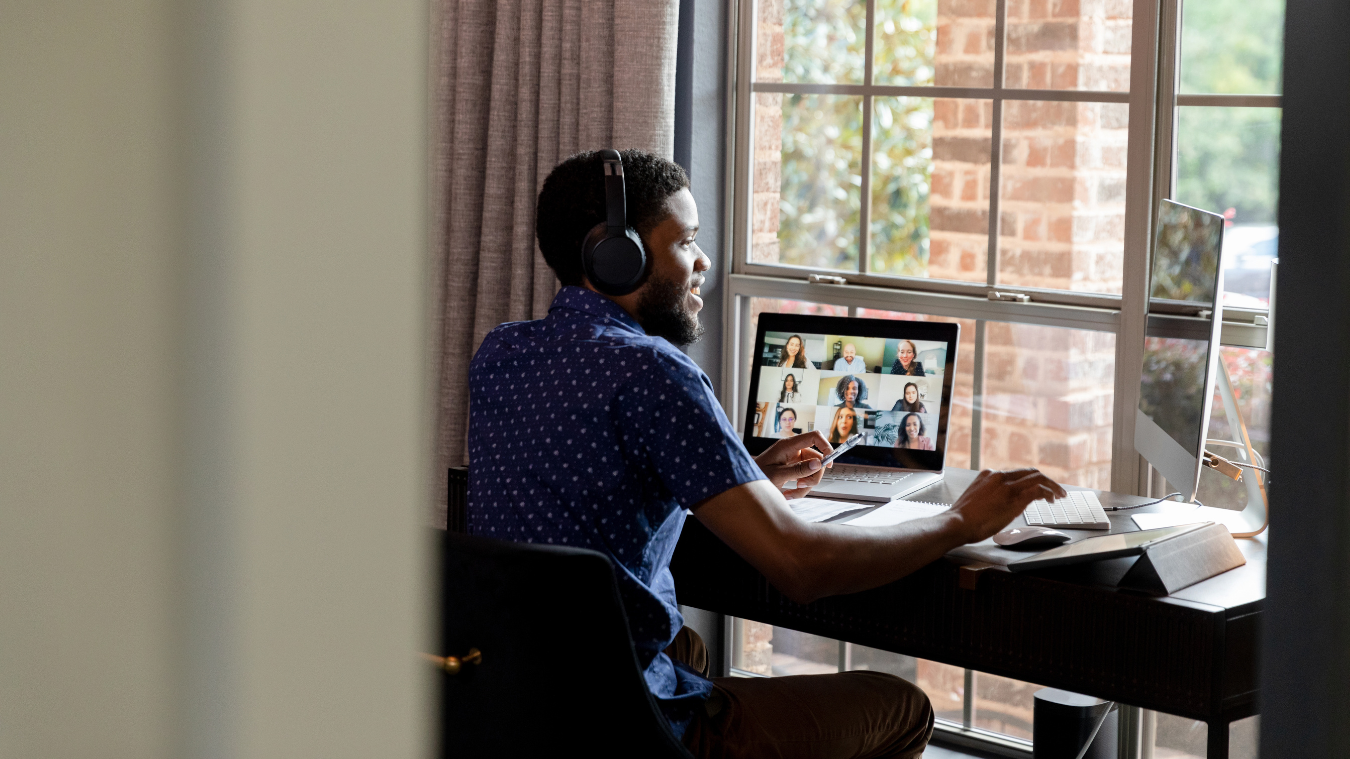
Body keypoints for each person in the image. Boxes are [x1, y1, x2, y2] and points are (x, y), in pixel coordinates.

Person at [469, 148, 1066, 759]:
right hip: (623, 725)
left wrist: (743, 476)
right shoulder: (653, 371)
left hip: (520, 699)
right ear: (618, 258)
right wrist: (961, 520)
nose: (703, 261)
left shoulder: (501, 353)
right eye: (686, 242)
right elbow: (801, 568)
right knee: (903, 706)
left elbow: (593, 480)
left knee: (688, 650)